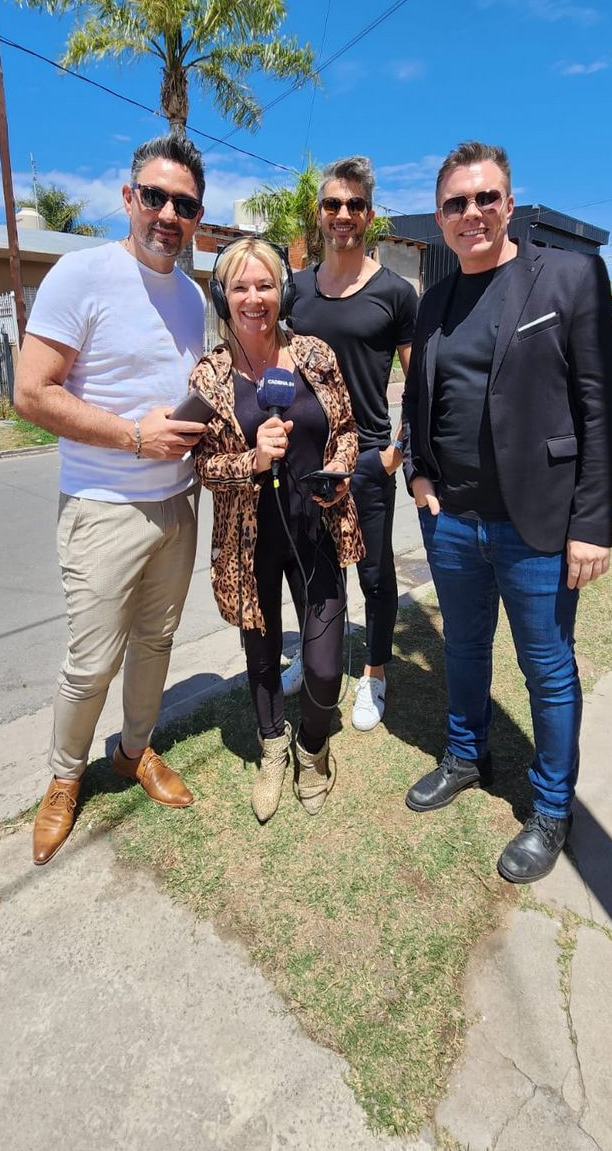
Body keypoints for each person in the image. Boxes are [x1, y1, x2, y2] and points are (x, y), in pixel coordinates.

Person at [402, 140, 612, 883]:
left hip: (540, 525)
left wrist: (592, 524)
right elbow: (419, 398)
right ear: (439, 216)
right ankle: (467, 754)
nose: (471, 212)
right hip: (453, 523)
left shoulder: (568, 277)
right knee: (465, 649)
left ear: (509, 203)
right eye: (456, 203)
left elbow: (604, 407)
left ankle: (552, 808)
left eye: (485, 198)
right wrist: (419, 475)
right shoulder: (434, 302)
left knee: (547, 670)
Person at [15, 133, 208, 865]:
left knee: (156, 643)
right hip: (101, 505)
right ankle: (65, 777)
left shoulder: (192, 296)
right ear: (129, 198)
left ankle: (132, 752)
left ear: (196, 216)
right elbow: (31, 393)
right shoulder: (81, 274)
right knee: (92, 661)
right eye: (155, 196)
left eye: (184, 204)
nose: (168, 214)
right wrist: (133, 436)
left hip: (177, 505)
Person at [190, 238, 363, 822]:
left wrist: (340, 469)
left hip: (316, 532)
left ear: (281, 292)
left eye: (264, 285)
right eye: (239, 287)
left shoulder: (314, 354)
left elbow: (346, 428)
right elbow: (203, 467)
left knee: (324, 667)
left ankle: (313, 750)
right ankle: (272, 747)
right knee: (261, 658)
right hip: (249, 546)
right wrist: (255, 460)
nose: (253, 298)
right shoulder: (211, 375)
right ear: (223, 297)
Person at [287, 156, 418, 731]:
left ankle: (374, 672)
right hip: (307, 459)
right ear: (320, 213)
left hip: (367, 459)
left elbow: (421, 384)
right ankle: (314, 655)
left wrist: (395, 454)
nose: (343, 214)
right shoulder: (295, 290)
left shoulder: (396, 293)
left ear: (369, 215)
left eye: (355, 205)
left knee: (375, 575)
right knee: (312, 570)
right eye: (333, 204)